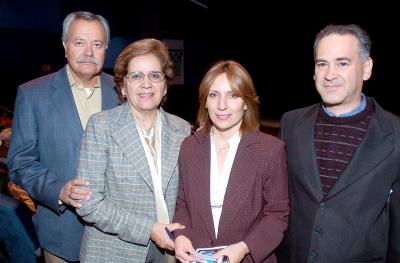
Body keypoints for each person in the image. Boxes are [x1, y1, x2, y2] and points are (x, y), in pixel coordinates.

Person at [278, 24, 400, 262]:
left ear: (366, 68)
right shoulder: (291, 124)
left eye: (342, 63)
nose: (329, 74)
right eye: (322, 64)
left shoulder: (396, 133)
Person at [7, 11, 119, 262]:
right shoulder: (33, 94)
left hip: (117, 234)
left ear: (106, 49)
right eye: (80, 42)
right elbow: (21, 163)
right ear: (65, 46)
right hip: (63, 235)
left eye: (97, 44)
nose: (89, 51)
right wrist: (59, 191)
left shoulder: (124, 93)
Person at [75, 38, 191, 263]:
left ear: (165, 85)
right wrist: (148, 229)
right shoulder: (102, 126)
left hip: (170, 251)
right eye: (136, 76)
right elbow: (89, 203)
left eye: (155, 76)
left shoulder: (182, 129)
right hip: (114, 252)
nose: (146, 84)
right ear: (122, 87)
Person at [173, 60, 289, 263]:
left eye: (233, 95)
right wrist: (181, 236)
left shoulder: (270, 150)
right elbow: (182, 204)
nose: (221, 105)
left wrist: (244, 248)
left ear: (246, 103)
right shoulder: (189, 147)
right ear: (205, 102)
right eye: (213, 95)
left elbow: (277, 214)